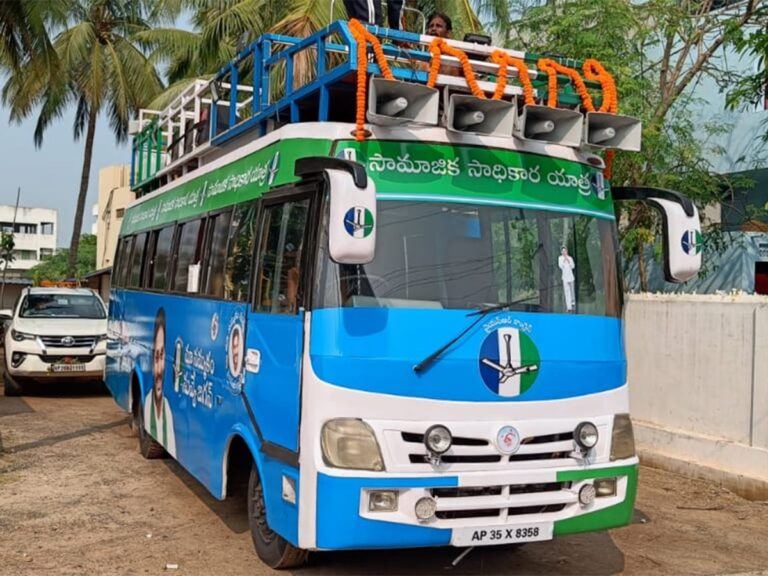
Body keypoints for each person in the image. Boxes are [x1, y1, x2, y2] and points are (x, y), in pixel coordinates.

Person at [144, 307, 177, 457]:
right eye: (156, 356)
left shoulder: (168, 411)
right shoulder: (147, 401)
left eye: (162, 356)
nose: (159, 368)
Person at [558, 247, 576, 313]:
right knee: (567, 292)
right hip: (565, 277)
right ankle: (569, 307)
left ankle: (573, 303)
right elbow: (560, 266)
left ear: (567, 251)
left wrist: (568, 260)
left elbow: (573, 266)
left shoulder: (570, 258)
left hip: (570, 277)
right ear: (561, 252)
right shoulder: (560, 258)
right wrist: (564, 260)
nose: (564, 252)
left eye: (565, 251)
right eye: (563, 251)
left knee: (572, 291)